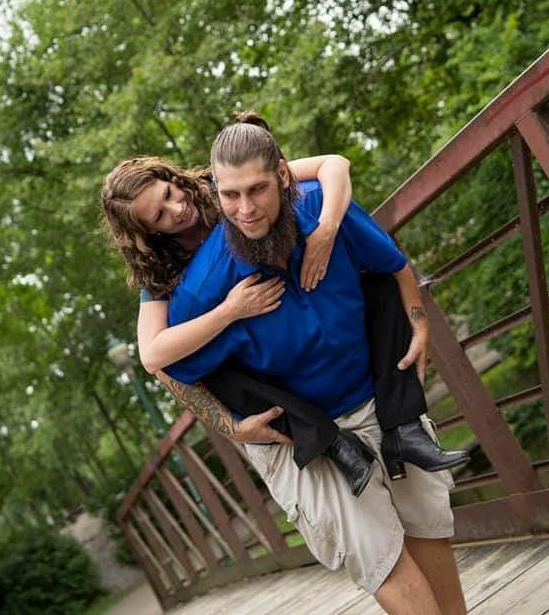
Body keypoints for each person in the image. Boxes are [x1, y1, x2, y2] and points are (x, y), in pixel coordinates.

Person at [161, 116, 468, 614]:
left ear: (284, 176)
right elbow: (172, 368)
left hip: (375, 396)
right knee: (379, 555)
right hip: (306, 439)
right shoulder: (202, 289)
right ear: (215, 191)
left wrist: (420, 324)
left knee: (427, 525)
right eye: (230, 195)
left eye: (257, 189)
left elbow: (392, 264)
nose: (245, 209)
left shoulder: (324, 206)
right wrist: (232, 427)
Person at [101, 118, 468, 498]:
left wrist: (326, 230)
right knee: (217, 367)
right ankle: (325, 440)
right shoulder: (158, 272)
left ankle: (403, 426)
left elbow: (334, 165)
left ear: (171, 177)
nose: (177, 208)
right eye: (159, 215)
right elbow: (154, 357)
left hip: (306, 307)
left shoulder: (227, 185)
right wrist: (230, 311)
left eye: (169, 192)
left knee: (376, 281)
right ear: (148, 231)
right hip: (244, 337)